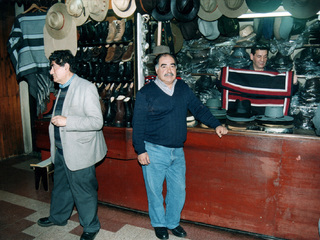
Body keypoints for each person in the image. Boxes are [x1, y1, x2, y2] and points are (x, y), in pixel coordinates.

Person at [132, 53, 228, 239]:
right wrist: (140, 150)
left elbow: (199, 108)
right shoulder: (146, 93)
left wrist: (216, 124)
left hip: (177, 151)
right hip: (153, 150)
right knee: (155, 191)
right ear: (157, 70)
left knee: (178, 190)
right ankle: (159, 224)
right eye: (164, 66)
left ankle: (172, 222)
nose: (169, 70)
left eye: (172, 65)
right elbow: (139, 123)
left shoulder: (183, 88)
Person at [37, 50, 107, 240]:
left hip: (80, 151)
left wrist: (68, 121)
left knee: (83, 190)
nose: (51, 72)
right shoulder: (61, 88)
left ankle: (91, 227)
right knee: (61, 186)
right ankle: (58, 217)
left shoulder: (86, 88)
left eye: (53, 67)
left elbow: (96, 122)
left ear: (65, 66)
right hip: (61, 150)